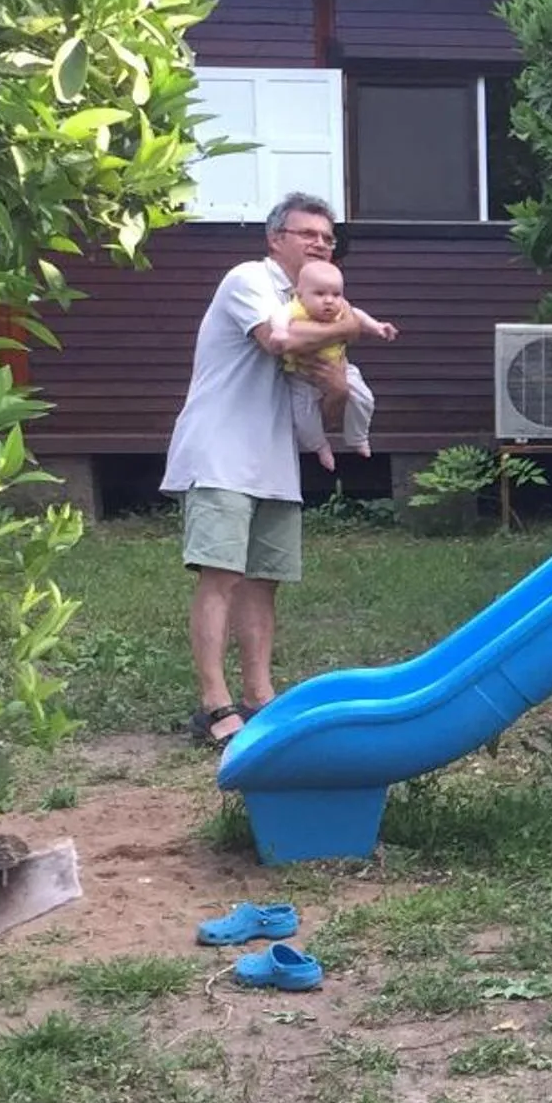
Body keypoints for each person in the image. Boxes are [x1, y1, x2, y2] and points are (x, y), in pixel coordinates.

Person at [159, 194, 371, 750]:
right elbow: (277, 340)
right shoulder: (249, 280)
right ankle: (214, 705)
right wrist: (350, 327)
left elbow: (324, 407)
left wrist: (338, 386)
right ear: (276, 239)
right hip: (221, 455)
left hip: (276, 462)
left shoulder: (318, 304)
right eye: (307, 234)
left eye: (327, 238)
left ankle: (259, 698)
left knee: (263, 583)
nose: (320, 244)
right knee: (220, 577)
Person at [281, 257, 395, 472]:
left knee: (364, 398)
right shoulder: (293, 310)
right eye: (320, 294)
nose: (329, 301)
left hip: (341, 367)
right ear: (299, 294)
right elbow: (278, 320)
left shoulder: (341, 309)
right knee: (304, 417)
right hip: (301, 376)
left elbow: (358, 316)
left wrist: (377, 327)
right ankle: (319, 446)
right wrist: (279, 331)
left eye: (336, 294)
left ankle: (358, 437)